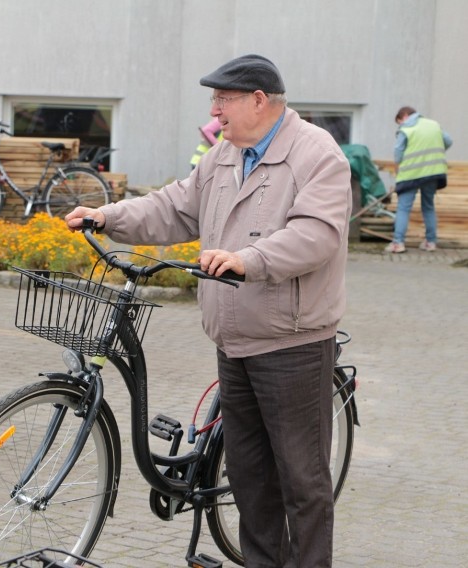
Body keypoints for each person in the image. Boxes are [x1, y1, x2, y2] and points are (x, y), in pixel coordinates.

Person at [65, 54, 351, 567]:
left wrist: (250, 259)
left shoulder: (316, 154)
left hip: (292, 343)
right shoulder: (225, 154)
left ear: (259, 101)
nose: (214, 110)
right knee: (249, 478)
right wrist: (107, 216)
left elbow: (317, 235)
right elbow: (175, 206)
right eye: (214, 100)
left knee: (302, 481)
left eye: (224, 99)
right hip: (234, 341)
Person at [384, 106, 453, 253]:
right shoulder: (433, 124)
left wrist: (398, 168)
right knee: (428, 207)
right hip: (434, 172)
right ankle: (430, 242)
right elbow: (448, 141)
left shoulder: (406, 128)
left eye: (400, 121)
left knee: (403, 208)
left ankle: (398, 243)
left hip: (411, 174)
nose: (400, 124)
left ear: (404, 116)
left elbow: (398, 151)